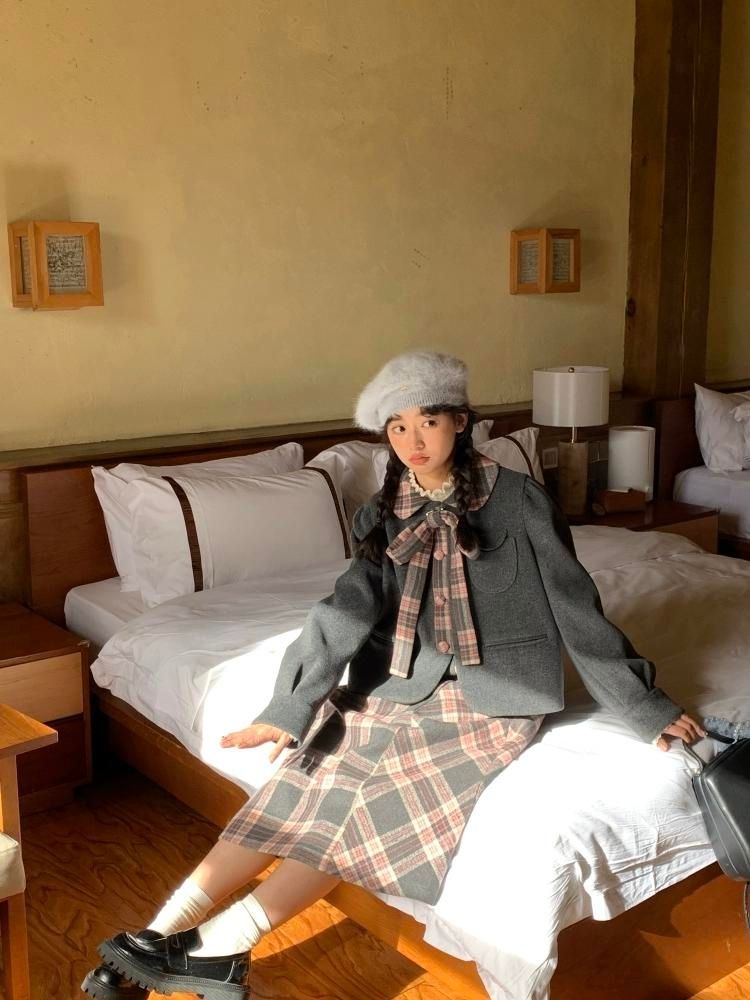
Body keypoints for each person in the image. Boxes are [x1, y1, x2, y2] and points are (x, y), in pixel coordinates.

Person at [84, 351, 705, 1000]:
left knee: (375, 813)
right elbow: (345, 610)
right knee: (306, 786)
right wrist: (288, 706)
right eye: (398, 426)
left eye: (428, 421)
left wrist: (645, 706)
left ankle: (219, 945)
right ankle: (156, 937)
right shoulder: (385, 510)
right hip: (394, 681)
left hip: (496, 695)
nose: (414, 440)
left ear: (460, 421)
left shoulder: (520, 501)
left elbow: (576, 608)